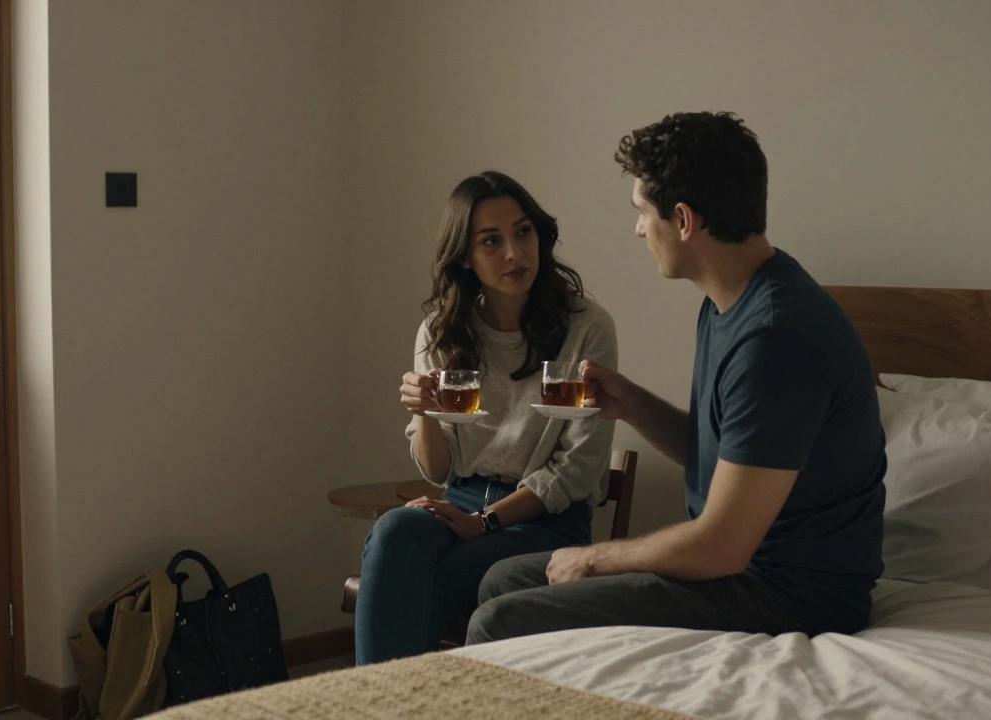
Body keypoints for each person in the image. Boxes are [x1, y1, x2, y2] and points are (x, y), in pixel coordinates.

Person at [467, 112, 887, 645]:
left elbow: (722, 545)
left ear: (683, 220)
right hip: (740, 569)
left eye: (643, 212)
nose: (639, 228)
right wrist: (634, 405)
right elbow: (730, 460)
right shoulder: (729, 303)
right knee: (502, 580)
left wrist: (597, 558)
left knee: (498, 621)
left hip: (789, 593)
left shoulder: (777, 337)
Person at [355, 171, 618, 665]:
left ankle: (383, 704)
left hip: (546, 523)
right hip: (463, 502)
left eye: (523, 232)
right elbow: (438, 471)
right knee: (394, 532)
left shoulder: (585, 328)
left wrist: (484, 522)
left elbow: (576, 471)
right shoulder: (441, 330)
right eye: (491, 241)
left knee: (412, 580)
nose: (515, 253)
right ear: (465, 257)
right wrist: (426, 413)